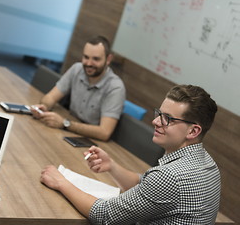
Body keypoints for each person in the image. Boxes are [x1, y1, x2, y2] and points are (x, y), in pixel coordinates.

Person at [40, 84, 221, 224]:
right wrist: (111, 166)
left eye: (168, 119)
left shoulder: (169, 177)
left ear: (193, 131)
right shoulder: (207, 163)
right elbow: (144, 184)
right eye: (160, 113)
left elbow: (104, 216)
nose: (156, 121)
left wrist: (61, 182)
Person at [31, 36, 126, 141]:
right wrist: (44, 107)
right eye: (86, 57)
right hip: (68, 134)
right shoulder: (77, 69)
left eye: (96, 59)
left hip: (92, 144)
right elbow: (51, 97)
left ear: (108, 59)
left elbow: (104, 132)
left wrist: (65, 124)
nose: (89, 63)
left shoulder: (116, 87)